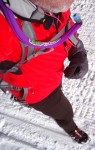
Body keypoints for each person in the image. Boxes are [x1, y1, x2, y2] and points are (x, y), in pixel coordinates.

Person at [0, 0, 89, 144]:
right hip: (41, 92)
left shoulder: (53, 5)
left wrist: (77, 50)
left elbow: (65, 24)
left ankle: (20, 96)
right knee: (64, 111)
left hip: (51, 75)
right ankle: (71, 128)